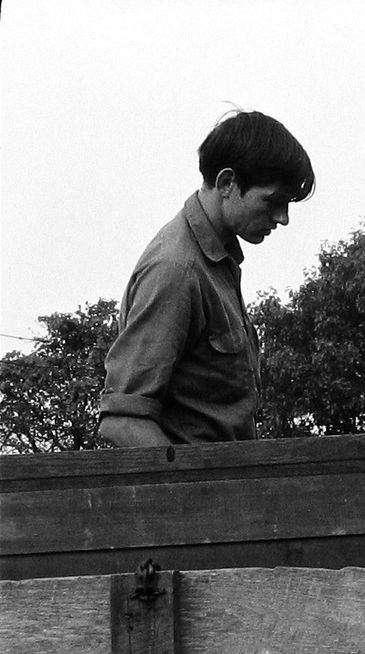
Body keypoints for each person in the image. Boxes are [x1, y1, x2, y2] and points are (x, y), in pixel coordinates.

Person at [99, 111, 315, 447]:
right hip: (202, 493)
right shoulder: (175, 269)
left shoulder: (215, 261)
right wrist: (193, 493)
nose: (283, 218)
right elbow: (123, 420)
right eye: (273, 201)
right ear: (227, 182)